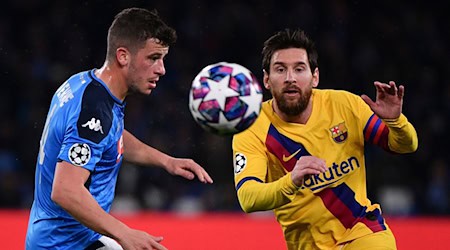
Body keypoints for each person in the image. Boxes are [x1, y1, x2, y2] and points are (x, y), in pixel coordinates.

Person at [25, 7, 213, 250]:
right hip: (63, 244)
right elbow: (65, 190)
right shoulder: (95, 111)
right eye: (154, 58)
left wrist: (167, 161)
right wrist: (125, 233)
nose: (162, 69)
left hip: (74, 236)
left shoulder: (83, 83)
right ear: (123, 56)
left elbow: (110, 136)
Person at [232, 28, 418, 250]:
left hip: (362, 231)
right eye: (280, 69)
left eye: (299, 69)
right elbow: (248, 197)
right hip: (306, 244)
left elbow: (405, 146)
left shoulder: (345, 105)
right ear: (266, 79)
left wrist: (396, 122)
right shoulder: (252, 127)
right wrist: (290, 181)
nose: (290, 78)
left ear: (315, 77)